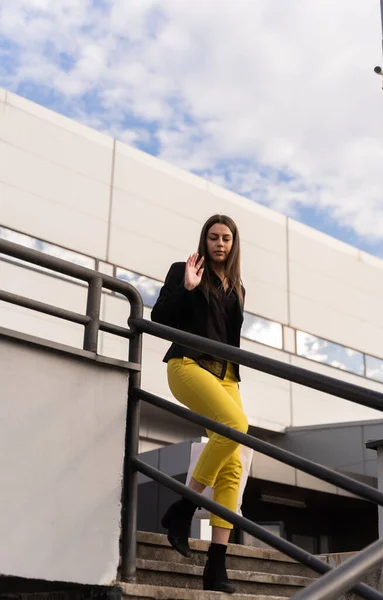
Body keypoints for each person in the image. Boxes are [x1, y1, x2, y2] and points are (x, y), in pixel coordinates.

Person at [151, 214, 248, 594]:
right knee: (236, 426)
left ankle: (216, 566)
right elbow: (159, 317)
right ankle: (185, 507)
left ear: (233, 243)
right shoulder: (185, 270)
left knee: (233, 466)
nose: (219, 243)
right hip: (188, 364)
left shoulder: (238, 287)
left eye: (225, 238)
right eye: (213, 237)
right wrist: (188, 288)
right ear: (204, 240)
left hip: (227, 375)